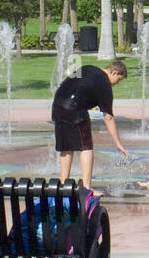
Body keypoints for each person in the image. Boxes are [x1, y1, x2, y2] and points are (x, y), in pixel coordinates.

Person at [51, 60, 128, 191]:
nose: (117, 83)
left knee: (65, 146)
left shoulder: (88, 67)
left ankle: (64, 185)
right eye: (118, 79)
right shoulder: (104, 83)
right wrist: (118, 143)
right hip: (75, 109)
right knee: (86, 147)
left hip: (58, 104)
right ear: (114, 72)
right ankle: (87, 188)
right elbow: (108, 117)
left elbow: (70, 84)